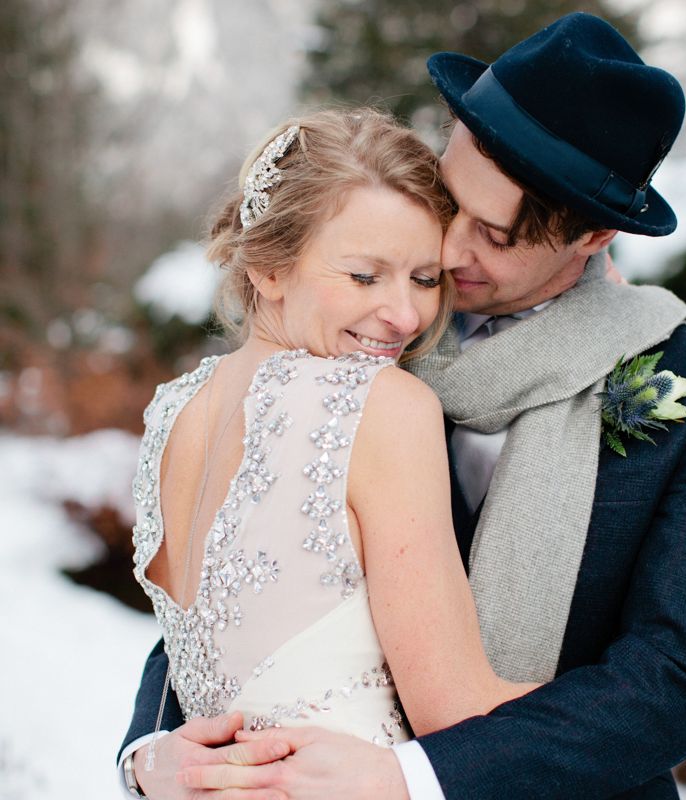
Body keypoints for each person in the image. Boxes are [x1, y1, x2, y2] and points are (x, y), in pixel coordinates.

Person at [119, 13, 686, 800]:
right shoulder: (361, 345)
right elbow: (239, 591)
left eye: (494, 236)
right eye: (449, 202)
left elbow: (671, 687)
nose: (449, 250)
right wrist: (150, 753)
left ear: (594, 237)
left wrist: (413, 777)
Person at [119, 106, 545, 799]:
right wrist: (638, 703)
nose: (405, 317)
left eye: (424, 278)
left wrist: (141, 762)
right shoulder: (382, 406)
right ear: (268, 267)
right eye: (365, 277)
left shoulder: (173, 410)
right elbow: (459, 714)